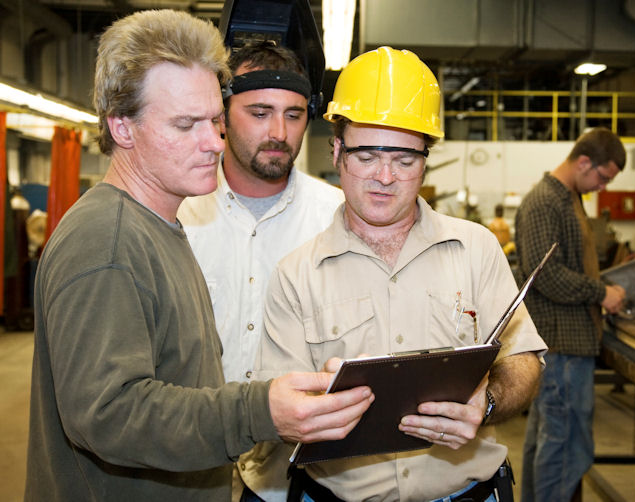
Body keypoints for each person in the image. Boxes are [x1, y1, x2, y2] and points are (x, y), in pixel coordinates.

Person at [23, 10, 373, 502]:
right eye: (186, 125)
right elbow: (107, 414)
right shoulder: (107, 240)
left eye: (213, 120)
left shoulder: (161, 225)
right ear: (122, 128)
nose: (213, 142)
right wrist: (259, 411)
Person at [253, 46, 547, 502]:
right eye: (366, 156)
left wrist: (485, 403)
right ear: (336, 151)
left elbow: (525, 362)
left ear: (426, 160)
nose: (385, 177)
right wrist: (316, 408)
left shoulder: (476, 249)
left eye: (405, 160)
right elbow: (278, 414)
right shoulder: (296, 275)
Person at [177, 40, 344, 502]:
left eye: (293, 115)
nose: (279, 131)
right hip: (193, 458)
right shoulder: (179, 215)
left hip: (289, 474)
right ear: (222, 116)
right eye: (259, 112)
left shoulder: (337, 217)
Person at [514, 127, 627, 502]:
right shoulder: (546, 201)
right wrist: (602, 293)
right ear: (583, 162)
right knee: (563, 448)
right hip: (560, 346)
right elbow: (544, 275)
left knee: (551, 442)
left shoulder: (569, 198)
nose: (602, 186)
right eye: (603, 177)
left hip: (570, 343)